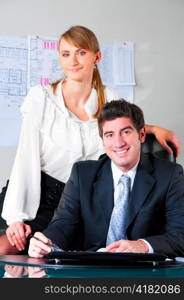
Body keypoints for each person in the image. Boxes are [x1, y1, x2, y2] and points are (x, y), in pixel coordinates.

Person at [0, 25, 181, 255]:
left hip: (76, 201)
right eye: (66, 54)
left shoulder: (110, 98)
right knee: (6, 248)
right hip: (36, 194)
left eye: (81, 52)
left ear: (97, 56)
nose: (73, 61)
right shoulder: (41, 98)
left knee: (52, 258)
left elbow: (121, 127)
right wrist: (16, 216)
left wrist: (154, 129)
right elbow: (25, 159)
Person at [28, 100, 184, 258]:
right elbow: (63, 225)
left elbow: (180, 236)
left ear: (141, 135)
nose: (118, 143)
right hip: (92, 270)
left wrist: (142, 245)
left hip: (144, 271)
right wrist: (45, 242)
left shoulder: (170, 175)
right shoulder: (82, 174)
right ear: (103, 140)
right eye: (110, 135)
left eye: (126, 132)